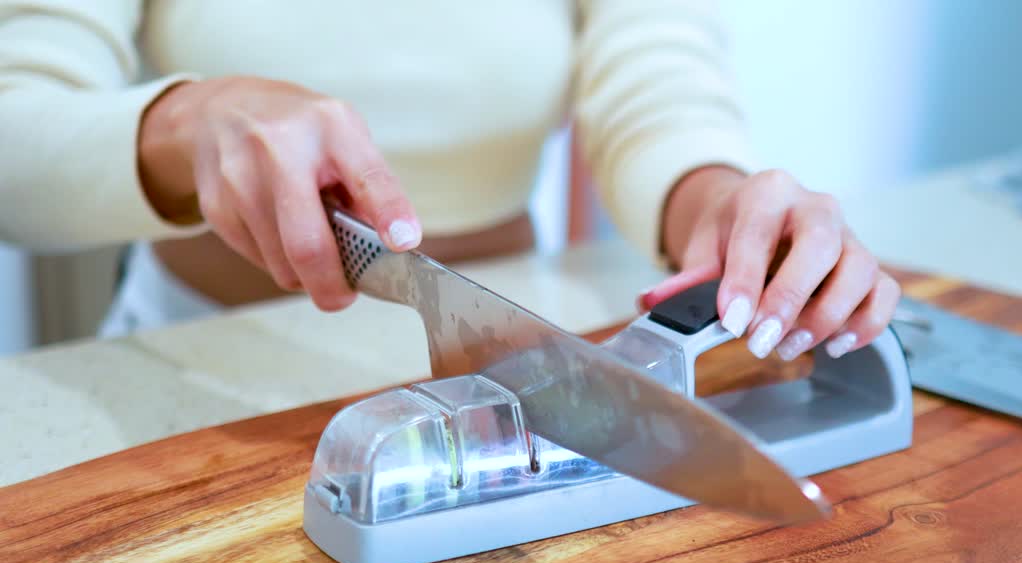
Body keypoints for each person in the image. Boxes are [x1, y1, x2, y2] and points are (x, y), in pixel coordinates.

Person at [0, 1, 900, 361]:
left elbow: (654, 75)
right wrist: (184, 122)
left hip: (506, 369)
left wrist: (718, 201)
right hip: (191, 363)